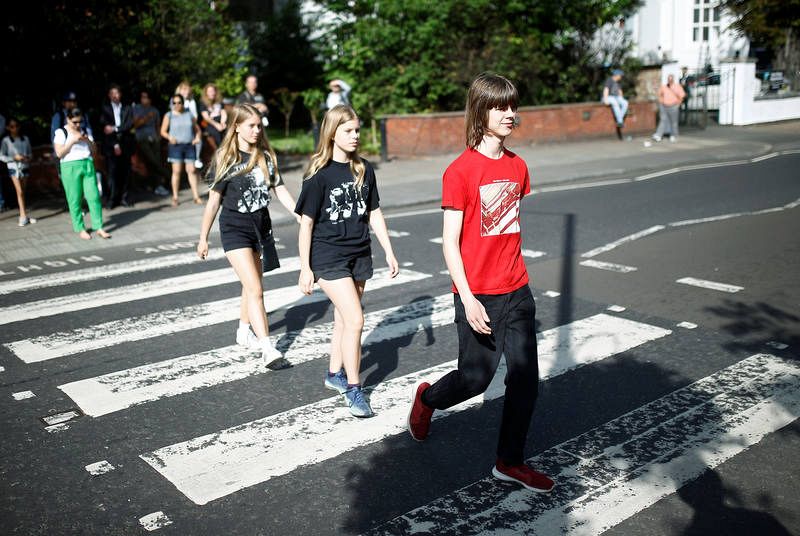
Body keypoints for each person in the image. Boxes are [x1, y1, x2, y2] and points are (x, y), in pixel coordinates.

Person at [406, 72, 554, 493]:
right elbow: (450, 243)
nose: (510, 114)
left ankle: (509, 462)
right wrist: (468, 299)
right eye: (500, 106)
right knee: (475, 379)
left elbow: (507, 229)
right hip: (479, 295)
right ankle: (427, 400)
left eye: (513, 105)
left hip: (517, 290)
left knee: (525, 378)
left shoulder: (518, 166)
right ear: (481, 111)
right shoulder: (459, 171)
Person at [295, 104, 400, 418]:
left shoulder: (364, 169)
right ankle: (355, 389)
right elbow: (306, 224)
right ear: (332, 133)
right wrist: (305, 268)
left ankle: (334, 374)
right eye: (348, 131)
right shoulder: (318, 175)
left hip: (359, 253)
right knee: (355, 319)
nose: (355, 136)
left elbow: (374, 212)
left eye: (357, 130)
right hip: (328, 257)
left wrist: (389, 250)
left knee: (343, 319)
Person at [197, 103, 298, 370]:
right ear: (236, 127)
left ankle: (244, 330)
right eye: (251, 125)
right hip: (234, 229)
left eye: (259, 124)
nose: (257, 129)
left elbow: (281, 190)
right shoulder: (226, 159)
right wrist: (203, 237)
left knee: (250, 283)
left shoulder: (265, 157)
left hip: (261, 229)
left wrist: (299, 214)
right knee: (255, 288)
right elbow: (213, 201)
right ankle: (268, 348)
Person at [53, 108, 111, 240]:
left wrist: (88, 141)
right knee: (75, 199)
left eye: (80, 121)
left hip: (87, 164)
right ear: (68, 119)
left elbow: (95, 150)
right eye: (75, 122)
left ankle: (99, 226)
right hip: (70, 166)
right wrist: (72, 141)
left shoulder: (85, 130)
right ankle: (80, 228)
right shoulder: (61, 132)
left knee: (94, 196)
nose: (78, 125)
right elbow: (59, 153)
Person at [160, 94, 203, 207]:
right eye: (174, 103)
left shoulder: (189, 114)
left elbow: (198, 129)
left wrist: (197, 137)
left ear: (183, 103)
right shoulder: (169, 115)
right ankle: (175, 197)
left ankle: (196, 196)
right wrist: (170, 137)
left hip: (189, 145)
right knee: (177, 171)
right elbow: (163, 131)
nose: (177, 105)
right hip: (176, 147)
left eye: (179, 102)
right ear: (171, 104)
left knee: (192, 170)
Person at [100, 84, 136, 208]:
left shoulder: (127, 108)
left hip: (125, 143)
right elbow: (105, 128)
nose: (115, 96)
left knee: (126, 173)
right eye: (112, 93)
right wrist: (115, 144)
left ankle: (124, 198)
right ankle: (112, 199)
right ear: (109, 95)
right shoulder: (105, 109)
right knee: (112, 173)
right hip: (111, 145)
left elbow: (129, 124)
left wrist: (115, 129)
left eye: (117, 93)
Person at [132, 90, 170, 196]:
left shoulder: (155, 110)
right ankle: (170, 177)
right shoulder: (137, 109)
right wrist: (147, 117)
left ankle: (158, 185)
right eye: (142, 97)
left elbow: (157, 126)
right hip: (142, 139)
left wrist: (158, 138)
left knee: (156, 161)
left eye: (146, 97)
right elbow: (135, 124)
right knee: (153, 161)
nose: (143, 99)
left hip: (154, 139)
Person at [0, 118, 35, 226]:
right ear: (8, 128)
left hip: (24, 167)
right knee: (19, 192)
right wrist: (14, 157)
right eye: (12, 126)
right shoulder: (6, 140)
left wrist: (27, 158)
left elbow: (30, 153)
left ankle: (24, 214)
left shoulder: (25, 139)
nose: (14, 128)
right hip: (13, 168)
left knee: (22, 192)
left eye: (16, 126)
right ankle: (23, 216)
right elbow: (2, 156)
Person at [175, 80, 204, 169]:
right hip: (178, 126)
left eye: (187, 90)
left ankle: (197, 158)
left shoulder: (192, 102)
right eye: (183, 89)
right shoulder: (175, 101)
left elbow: (195, 116)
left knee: (198, 136)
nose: (186, 92)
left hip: (190, 124)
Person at [652, 74, 686, 142]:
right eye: (669, 79)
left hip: (673, 106)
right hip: (664, 106)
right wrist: (661, 101)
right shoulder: (664, 86)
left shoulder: (677, 86)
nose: (670, 80)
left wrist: (678, 104)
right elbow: (659, 94)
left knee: (674, 122)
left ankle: (673, 135)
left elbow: (682, 96)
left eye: (671, 79)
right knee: (663, 120)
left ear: (673, 79)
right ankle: (658, 135)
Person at [199, 83, 228, 151]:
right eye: (209, 91)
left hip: (220, 121)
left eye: (213, 91)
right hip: (208, 123)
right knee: (216, 132)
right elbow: (206, 117)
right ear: (206, 93)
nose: (212, 93)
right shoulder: (203, 102)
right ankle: (220, 150)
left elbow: (223, 113)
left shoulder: (219, 101)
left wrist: (223, 123)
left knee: (227, 130)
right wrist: (217, 125)